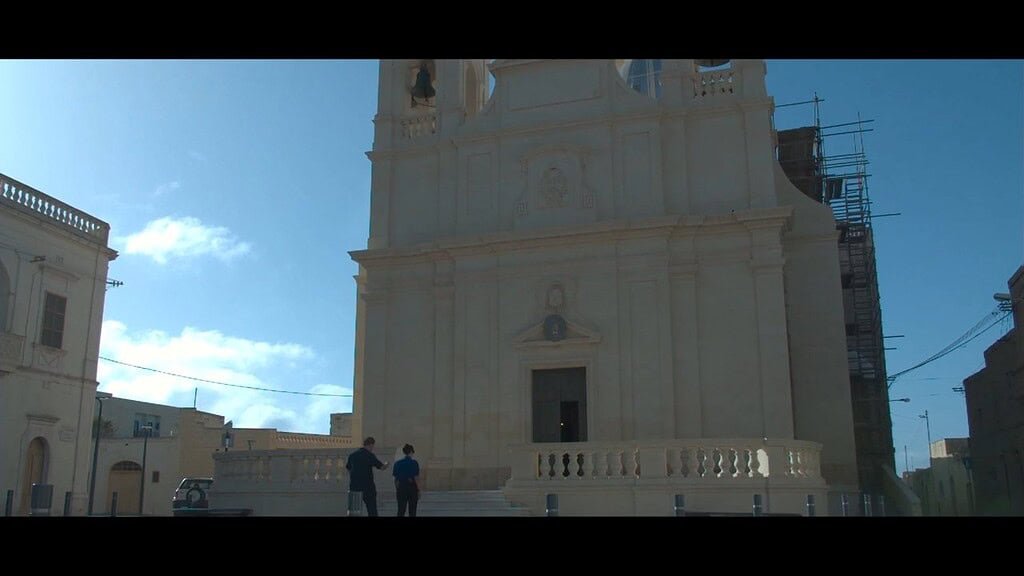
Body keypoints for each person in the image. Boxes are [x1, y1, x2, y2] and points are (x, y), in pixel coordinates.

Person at [346, 436, 388, 516]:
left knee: (354, 512)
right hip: (368, 487)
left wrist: (354, 475)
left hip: (355, 486)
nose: (373, 448)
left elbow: (348, 468)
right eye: (373, 446)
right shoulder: (369, 455)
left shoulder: (352, 455)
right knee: (372, 510)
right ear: (371, 445)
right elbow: (382, 467)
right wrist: (387, 464)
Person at [392, 443, 420, 517]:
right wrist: (418, 489)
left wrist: (398, 488)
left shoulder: (397, 463)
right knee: (412, 511)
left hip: (401, 487)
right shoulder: (414, 463)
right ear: (411, 452)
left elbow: (395, 479)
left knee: (401, 510)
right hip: (412, 488)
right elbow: (416, 477)